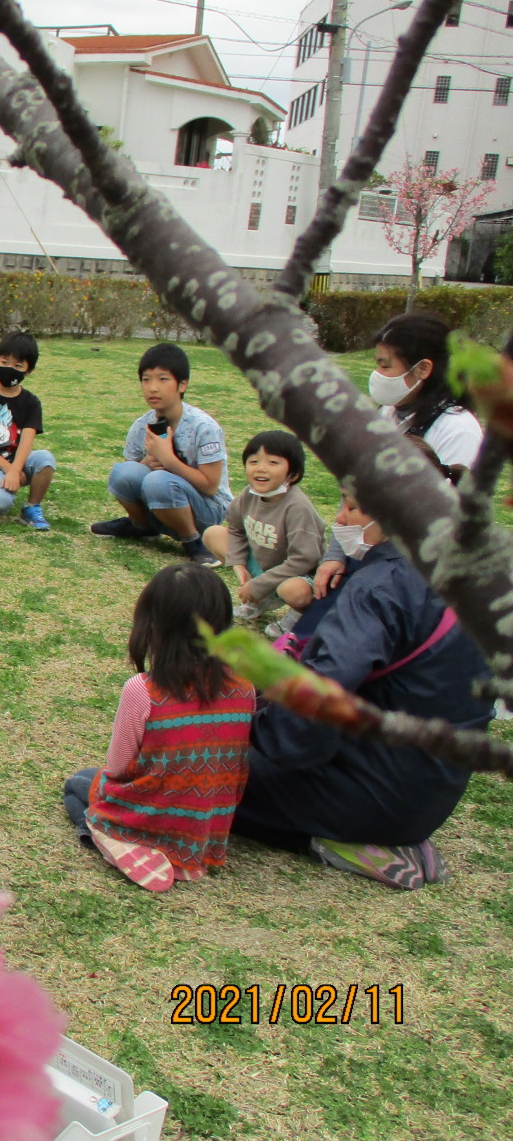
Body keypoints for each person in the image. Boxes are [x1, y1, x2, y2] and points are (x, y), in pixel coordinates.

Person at [235, 453, 492, 890]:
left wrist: (248, 729)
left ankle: (353, 841)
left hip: (368, 793)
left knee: (178, 775)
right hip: (432, 788)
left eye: (352, 507)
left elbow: (313, 710)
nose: (340, 518)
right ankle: (387, 837)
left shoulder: (381, 587)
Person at [62, 563, 257, 892]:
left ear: (153, 624)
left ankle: (113, 839)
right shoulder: (245, 685)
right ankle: (169, 853)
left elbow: (118, 767)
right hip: (204, 825)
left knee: (77, 786)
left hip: (152, 813)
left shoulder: (144, 689)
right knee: (90, 783)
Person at [308, 312, 485, 614]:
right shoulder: (388, 412)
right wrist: (337, 553)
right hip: (374, 554)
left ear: (423, 369)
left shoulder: (458, 430)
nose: (376, 374)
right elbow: (354, 490)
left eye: (384, 365)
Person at [90, 343, 230, 567]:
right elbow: (132, 479)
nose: (152, 388)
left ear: (182, 384)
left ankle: (194, 541)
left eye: (163, 379)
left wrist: (169, 461)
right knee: (122, 472)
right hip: (161, 502)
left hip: (208, 510)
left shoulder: (204, 427)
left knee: (158, 480)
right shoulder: (141, 425)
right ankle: (142, 527)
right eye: (146, 380)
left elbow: (211, 486)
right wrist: (146, 463)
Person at [201, 431, 325, 621]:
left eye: (273, 463)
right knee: (213, 534)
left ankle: (296, 620)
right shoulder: (248, 495)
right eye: (254, 462)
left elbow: (304, 559)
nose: (261, 468)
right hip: (263, 564)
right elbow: (235, 528)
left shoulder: (298, 508)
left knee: (294, 591)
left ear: (293, 474)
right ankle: (257, 601)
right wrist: (239, 563)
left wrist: (259, 584)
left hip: (297, 575)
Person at [0, 330, 55, 529]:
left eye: (18, 365)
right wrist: (8, 469)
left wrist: (16, 468)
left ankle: (32, 506)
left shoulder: (31, 402)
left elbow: (27, 439)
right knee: (1, 504)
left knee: (45, 460)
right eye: (4, 362)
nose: (9, 369)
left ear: (28, 370)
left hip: (18, 460)